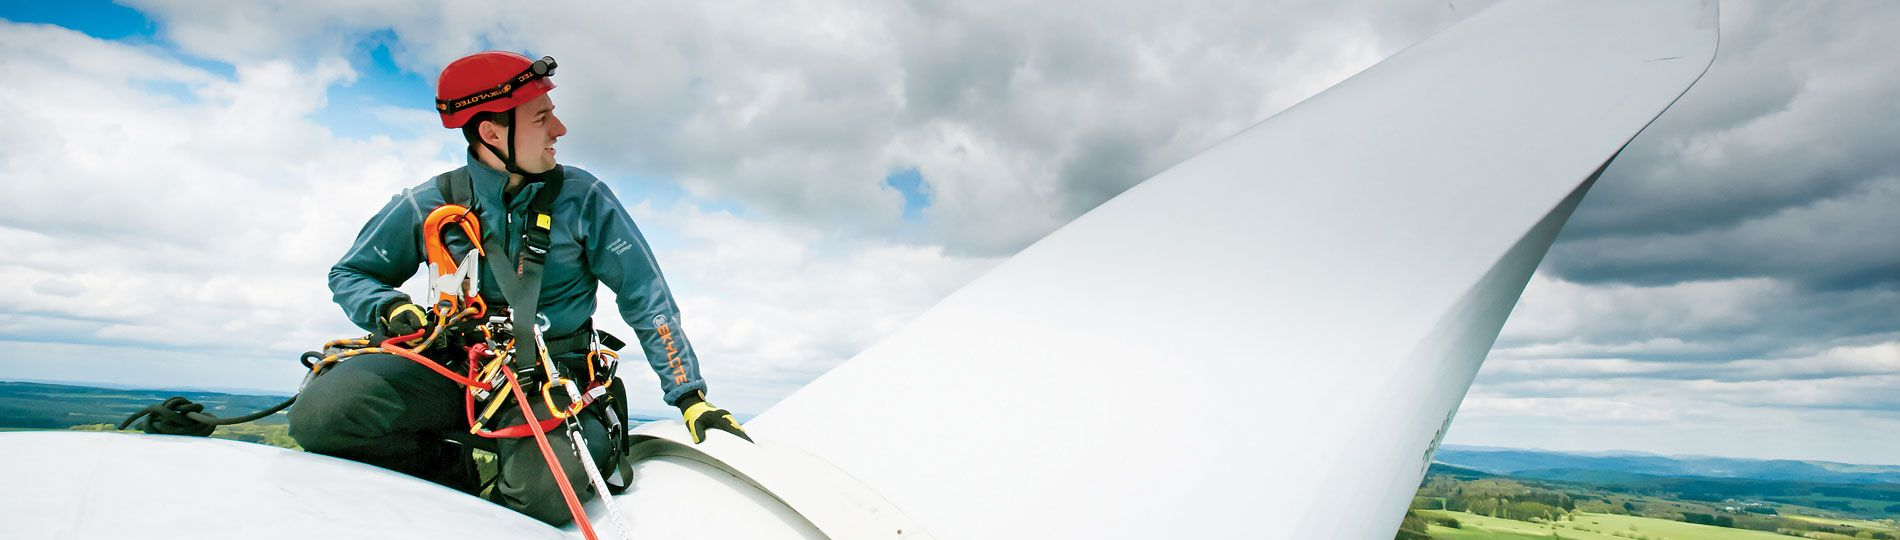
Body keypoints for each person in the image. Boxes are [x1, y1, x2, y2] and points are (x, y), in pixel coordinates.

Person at [288, 50, 749, 526]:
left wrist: (689, 396)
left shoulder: (584, 199)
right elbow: (351, 273)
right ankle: (449, 475)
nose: (560, 130)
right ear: (492, 133)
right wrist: (387, 308)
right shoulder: (430, 202)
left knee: (543, 492)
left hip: (551, 379)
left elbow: (646, 297)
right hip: (454, 368)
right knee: (322, 416)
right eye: (542, 117)